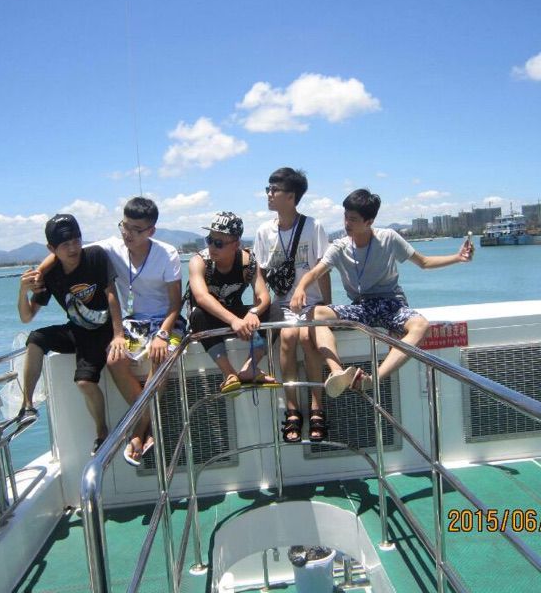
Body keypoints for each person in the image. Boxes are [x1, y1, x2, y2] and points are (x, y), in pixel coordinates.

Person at [290, 188, 474, 396]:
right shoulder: (339, 247)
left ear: (369, 221)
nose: (347, 223)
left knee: (421, 326)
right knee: (315, 313)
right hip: (361, 307)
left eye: (353, 219)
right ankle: (338, 372)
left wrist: (458, 258)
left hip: (391, 304)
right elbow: (315, 272)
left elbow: (424, 262)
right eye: (345, 217)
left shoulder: (388, 238)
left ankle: (373, 379)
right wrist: (300, 288)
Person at [17, 214, 128, 456]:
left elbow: (111, 294)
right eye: (65, 244)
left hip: (103, 331)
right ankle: (27, 405)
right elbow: (27, 316)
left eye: (76, 241)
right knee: (35, 338)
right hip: (76, 329)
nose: (73, 248)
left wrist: (118, 334)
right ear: (52, 249)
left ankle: (101, 431)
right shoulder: (50, 274)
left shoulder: (95, 256)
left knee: (85, 382)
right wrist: (23, 291)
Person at [93, 197, 184, 466]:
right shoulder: (112, 248)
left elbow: (175, 304)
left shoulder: (167, 254)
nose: (128, 234)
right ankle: (149, 424)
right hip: (134, 323)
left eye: (136, 229)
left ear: (151, 231)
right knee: (114, 360)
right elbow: (69, 250)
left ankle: (137, 431)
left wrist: (163, 335)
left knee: (161, 357)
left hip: (167, 321)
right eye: (125, 226)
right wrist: (39, 273)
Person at [254, 167, 331, 443]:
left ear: (291, 196)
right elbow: (259, 273)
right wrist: (259, 306)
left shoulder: (313, 227)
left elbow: (323, 267)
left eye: (274, 190)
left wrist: (327, 307)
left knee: (308, 338)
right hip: (282, 304)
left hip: (312, 303)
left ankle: (316, 406)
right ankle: (292, 409)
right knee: (287, 337)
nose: (269, 194)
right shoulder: (264, 231)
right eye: (268, 189)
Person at [188, 211, 279, 393]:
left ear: (236, 244)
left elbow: (263, 296)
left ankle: (250, 367)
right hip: (209, 317)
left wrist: (253, 313)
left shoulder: (247, 262)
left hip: (234, 312)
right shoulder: (199, 261)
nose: (212, 247)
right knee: (197, 315)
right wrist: (234, 321)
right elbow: (202, 297)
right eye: (209, 240)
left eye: (219, 243)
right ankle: (229, 373)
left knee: (276, 311)